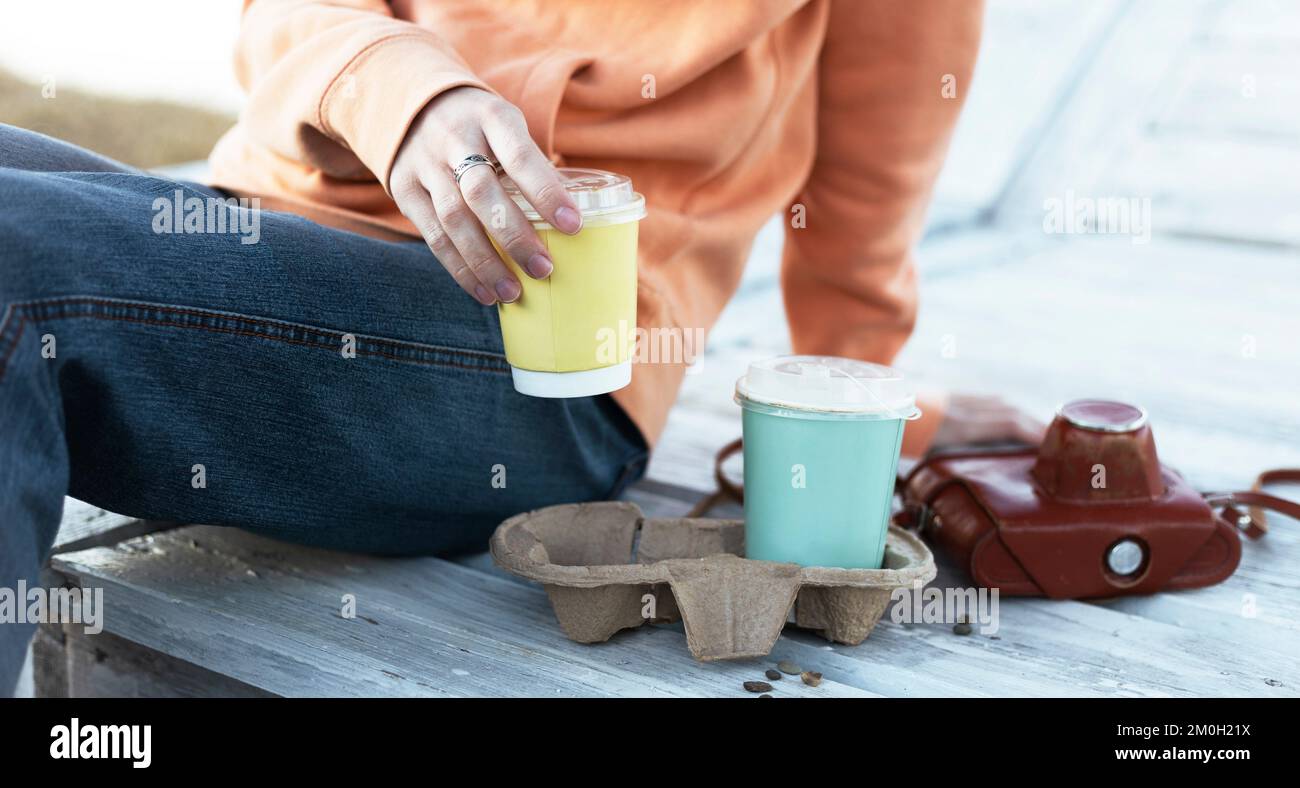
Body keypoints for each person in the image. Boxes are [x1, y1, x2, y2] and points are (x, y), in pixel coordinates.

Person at [0, 0, 1040, 694]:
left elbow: (868, 185)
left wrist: (869, 407)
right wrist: (409, 95)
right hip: (256, 226)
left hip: (540, 353)